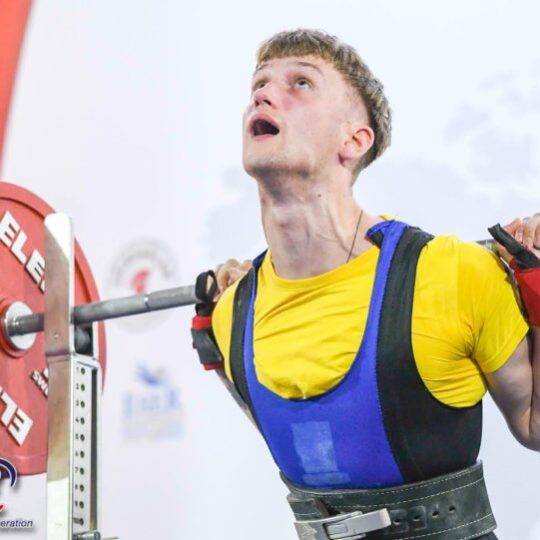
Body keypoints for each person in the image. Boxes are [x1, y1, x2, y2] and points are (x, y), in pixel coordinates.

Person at [194, 29, 540, 540]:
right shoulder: (231, 313)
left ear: (355, 140)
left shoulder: (453, 272)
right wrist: (215, 347)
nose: (264, 95)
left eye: (301, 83)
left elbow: (534, 425)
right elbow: (313, 440)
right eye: (259, 85)